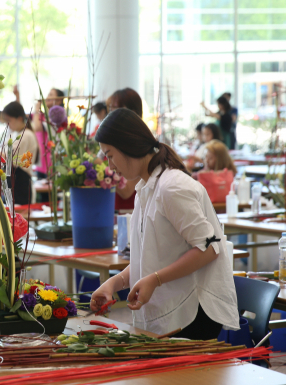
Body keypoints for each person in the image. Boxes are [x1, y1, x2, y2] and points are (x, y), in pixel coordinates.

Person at [91, 109, 239, 339]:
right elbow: (150, 257)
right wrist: (114, 283)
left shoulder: (171, 187)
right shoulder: (147, 187)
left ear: (127, 145)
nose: (110, 166)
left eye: (110, 155)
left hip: (192, 314)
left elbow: (209, 248)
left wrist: (156, 279)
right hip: (173, 311)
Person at [0, 102, 39, 205]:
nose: (7, 124)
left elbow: (7, 156)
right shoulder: (15, 134)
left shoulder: (26, 135)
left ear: (20, 119)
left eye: (9, 121)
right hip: (14, 181)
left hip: (21, 184)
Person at [14, 85, 51, 180]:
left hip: (50, 163)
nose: (47, 98)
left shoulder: (53, 118)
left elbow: (37, 127)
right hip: (40, 162)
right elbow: (21, 116)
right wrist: (17, 97)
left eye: (51, 95)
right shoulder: (39, 116)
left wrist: (37, 109)